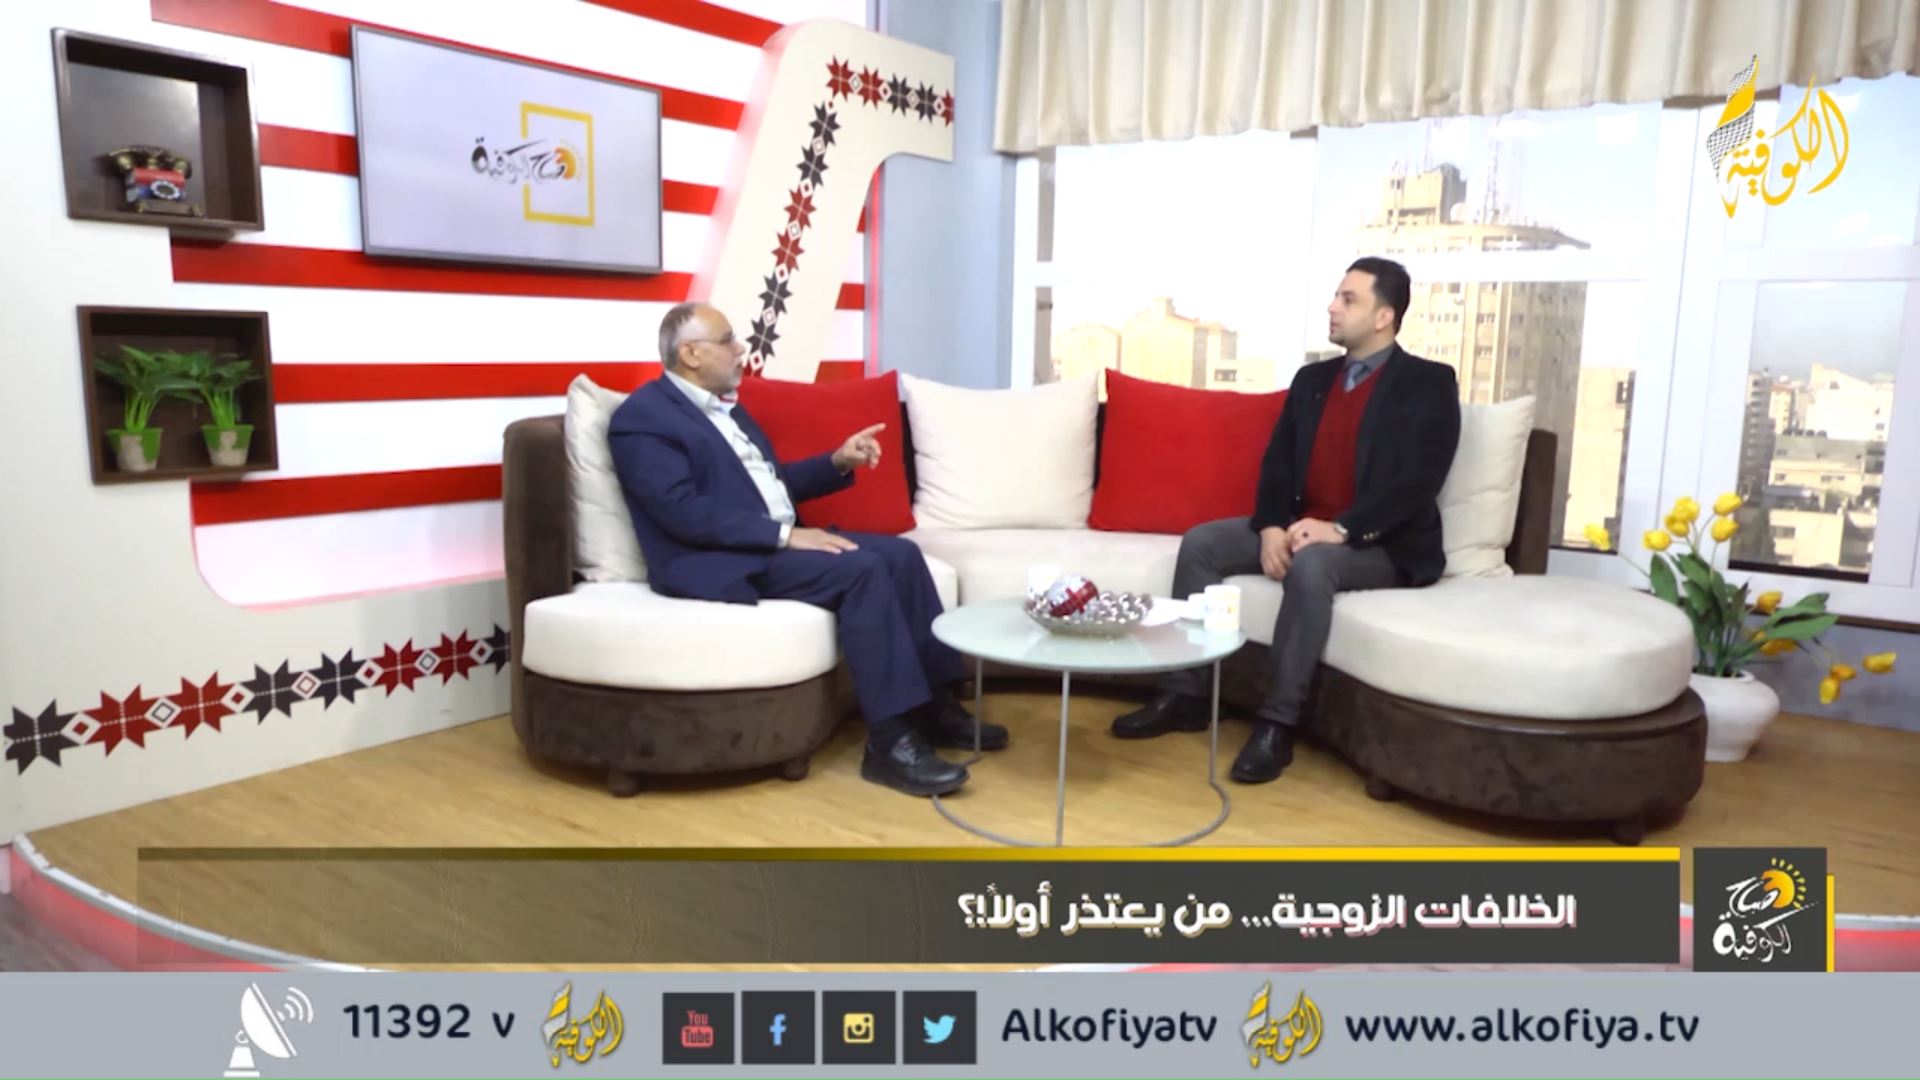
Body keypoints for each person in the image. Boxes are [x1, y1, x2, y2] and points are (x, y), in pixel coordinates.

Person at [607, 302, 1007, 797]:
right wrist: (784, 536)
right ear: (690, 353)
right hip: (716, 560)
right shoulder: (643, 418)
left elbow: (771, 487)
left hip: (763, 543)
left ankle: (935, 707)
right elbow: (680, 512)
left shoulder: (728, 409)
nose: (741, 349)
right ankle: (890, 744)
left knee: (902, 556)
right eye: (727, 340)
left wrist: (837, 462)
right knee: (861, 570)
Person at [1111, 257, 1462, 783]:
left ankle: (1277, 724)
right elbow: (1278, 462)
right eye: (1335, 296)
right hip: (1302, 527)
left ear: (1384, 316)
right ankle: (1186, 693)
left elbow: (1417, 481)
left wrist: (1341, 529)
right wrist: (1272, 525)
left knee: (1314, 567)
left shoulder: (1428, 383)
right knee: (1203, 544)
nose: (1332, 306)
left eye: (1348, 299)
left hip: (1382, 544)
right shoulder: (1313, 379)